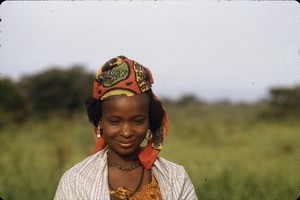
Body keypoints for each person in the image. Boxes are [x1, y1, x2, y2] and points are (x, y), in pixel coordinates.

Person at [54, 56, 198, 199]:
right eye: (115, 122)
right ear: (100, 122)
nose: (127, 132)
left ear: (149, 121)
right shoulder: (76, 181)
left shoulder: (174, 177)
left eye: (137, 121)